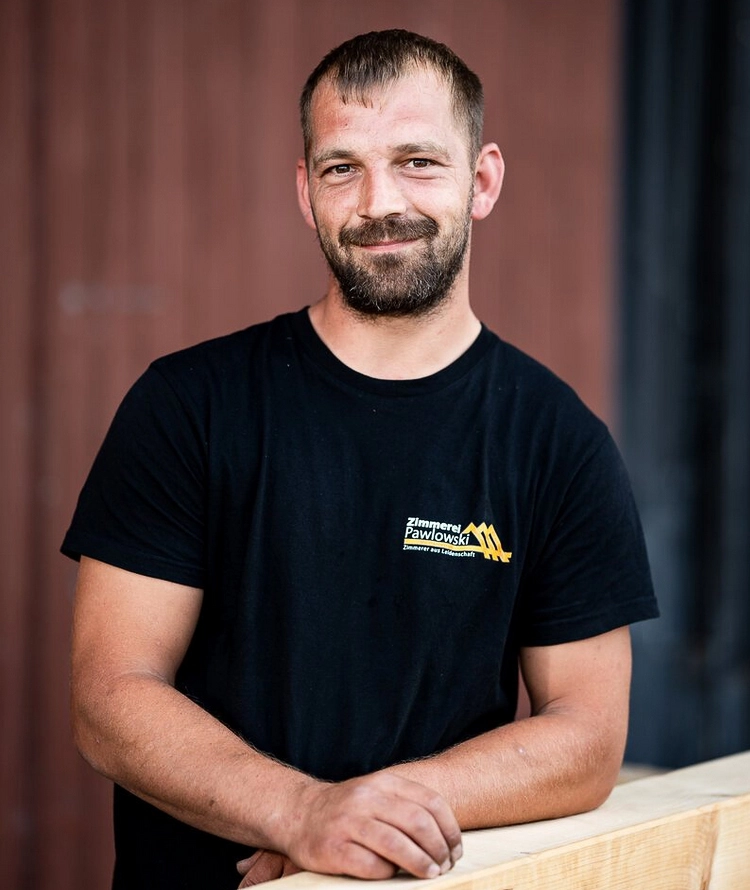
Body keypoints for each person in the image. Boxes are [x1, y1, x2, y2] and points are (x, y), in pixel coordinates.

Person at [63, 29, 658, 890]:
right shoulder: (187, 405)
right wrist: (300, 815)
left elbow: (589, 736)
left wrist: (362, 815)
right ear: (307, 194)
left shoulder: (558, 442)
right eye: (344, 167)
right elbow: (110, 697)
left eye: (418, 161)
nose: (380, 202)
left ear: (482, 180)